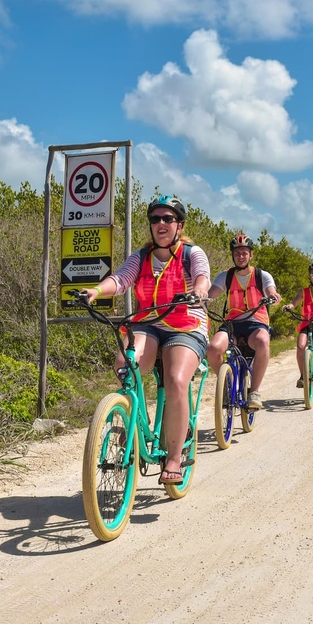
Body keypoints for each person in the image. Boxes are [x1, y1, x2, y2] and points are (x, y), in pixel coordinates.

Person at [81, 195, 211, 486]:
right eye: (155, 219)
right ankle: (133, 425)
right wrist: (96, 290)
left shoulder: (192, 253)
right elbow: (120, 279)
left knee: (177, 380)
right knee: (124, 364)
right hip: (148, 323)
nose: (161, 224)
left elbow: (202, 277)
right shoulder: (140, 257)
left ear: (179, 225)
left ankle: (175, 458)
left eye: (168, 219)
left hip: (186, 325)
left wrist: (200, 291)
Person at [206, 233, 283, 410]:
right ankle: (226, 385)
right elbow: (211, 295)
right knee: (213, 349)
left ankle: (254, 391)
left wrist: (272, 296)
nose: (241, 256)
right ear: (233, 256)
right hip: (232, 324)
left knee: (263, 341)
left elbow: (271, 290)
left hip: (256, 323)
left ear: (251, 255)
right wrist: (201, 301)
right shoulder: (225, 276)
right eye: (237, 253)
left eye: (244, 253)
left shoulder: (262, 275)